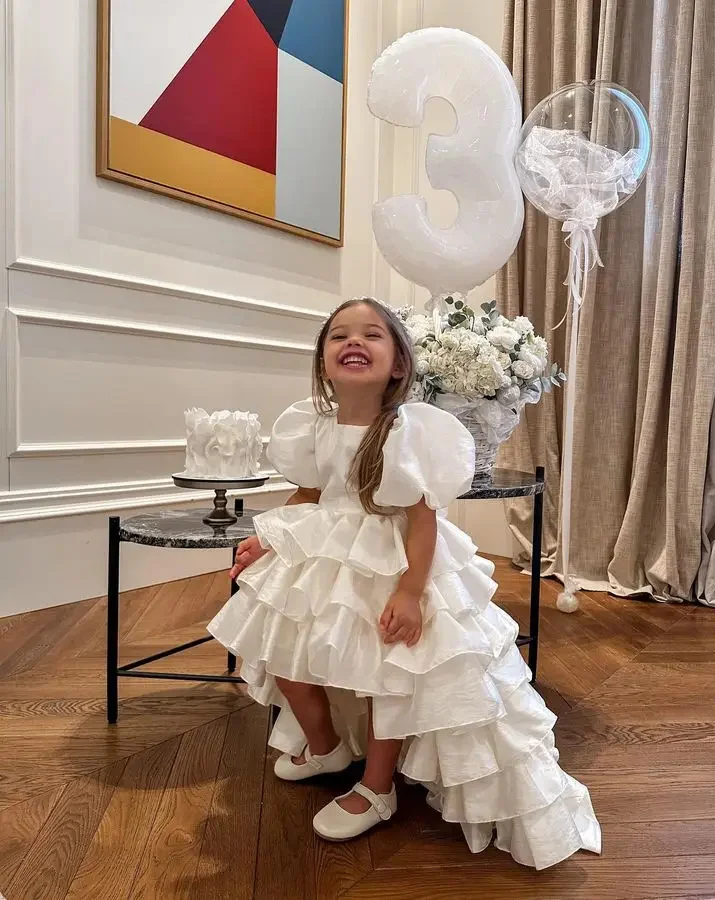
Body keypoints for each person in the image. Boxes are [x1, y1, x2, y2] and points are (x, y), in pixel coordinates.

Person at [207, 297, 601, 868]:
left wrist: (411, 591)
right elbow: (313, 494)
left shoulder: (406, 430)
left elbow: (421, 516)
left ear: (398, 363)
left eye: (372, 334)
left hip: (392, 559)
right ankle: (326, 748)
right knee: (285, 652)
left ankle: (377, 785)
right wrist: (270, 536)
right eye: (339, 335)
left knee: (388, 675)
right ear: (323, 361)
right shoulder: (313, 425)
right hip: (324, 555)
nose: (353, 341)